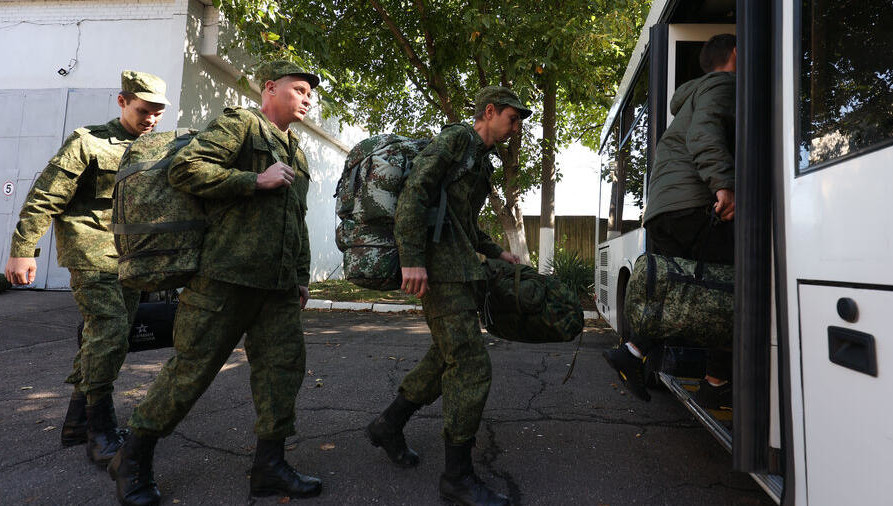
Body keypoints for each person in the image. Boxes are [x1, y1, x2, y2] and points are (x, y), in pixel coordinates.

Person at [107, 61, 321, 506]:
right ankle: (132, 456)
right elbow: (185, 168)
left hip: (277, 288)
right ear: (270, 89)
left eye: (309, 94)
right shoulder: (241, 124)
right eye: (299, 90)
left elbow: (295, 221)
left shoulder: (296, 152)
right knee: (191, 372)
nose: (306, 99)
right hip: (224, 278)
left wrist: (300, 277)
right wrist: (253, 180)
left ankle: (270, 466)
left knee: (283, 373)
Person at [365, 86, 530, 506]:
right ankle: (457, 478)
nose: (516, 128)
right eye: (512, 119)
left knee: (445, 356)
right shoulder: (456, 139)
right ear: (489, 112)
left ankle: (389, 424)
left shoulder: (481, 160)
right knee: (471, 364)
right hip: (439, 272)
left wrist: (497, 251)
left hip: (460, 270)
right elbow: (415, 192)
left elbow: (464, 222)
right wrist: (412, 258)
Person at [3, 71, 168, 465]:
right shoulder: (88, 142)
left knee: (109, 336)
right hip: (91, 252)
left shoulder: (156, 148)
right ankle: (101, 433)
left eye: (158, 113)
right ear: (122, 101)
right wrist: (23, 248)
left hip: (131, 257)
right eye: (144, 110)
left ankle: (77, 424)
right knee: (110, 333)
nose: (150, 120)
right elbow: (46, 195)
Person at [603, 34, 737, 409]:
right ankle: (715, 382)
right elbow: (704, 134)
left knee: (678, 290)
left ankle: (631, 352)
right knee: (729, 288)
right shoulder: (723, 84)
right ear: (737, 54)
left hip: (663, 209)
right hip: (691, 205)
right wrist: (724, 184)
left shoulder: (691, 96)